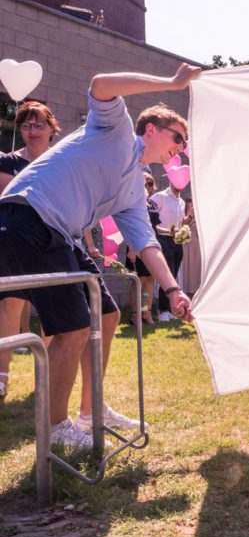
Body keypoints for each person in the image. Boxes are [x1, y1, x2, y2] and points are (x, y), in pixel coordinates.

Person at [0, 64, 199, 448]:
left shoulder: (134, 191)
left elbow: (147, 244)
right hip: (27, 216)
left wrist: (174, 291)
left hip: (59, 232)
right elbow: (101, 84)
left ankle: (92, 409)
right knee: (72, 328)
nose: (180, 147)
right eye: (178, 137)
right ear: (152, 129)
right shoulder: (117, 129)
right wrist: (172, 83)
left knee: (107, 313)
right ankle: (55, 427)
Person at [0, 102, 62, 402]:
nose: (32, 131)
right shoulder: (8, 161)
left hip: (52, 241)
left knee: (53, 309)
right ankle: (1, 378)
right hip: (15, 242)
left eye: (38, 125)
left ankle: (46, 376)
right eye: (26, 125)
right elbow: (12, 198)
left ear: (52, 127)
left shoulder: (63, 162)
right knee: (10, 305)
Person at [125, 171, 161, 324]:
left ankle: (146, 313)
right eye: (145, 182)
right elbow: (129, 226)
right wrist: (132, 249)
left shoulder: (152, 203)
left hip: (150, 244)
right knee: (137, 281)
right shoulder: (133, 202)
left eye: (150, 183)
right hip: (136, 245)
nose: (148, 185)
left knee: (149, 280)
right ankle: (135, 314)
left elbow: (155, 226)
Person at [152, 179, 191, 322]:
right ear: (171, 180)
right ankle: (162, 310)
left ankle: (168, 309)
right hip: (163, 239)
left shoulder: (180, 201)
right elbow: (150, 221)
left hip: (176, 242)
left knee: (173, 276)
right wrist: (169, 231)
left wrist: (189, 217)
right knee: (166, 276)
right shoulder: (160, 197)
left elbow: (181, 224)